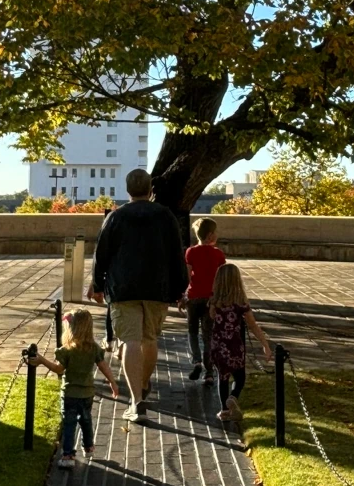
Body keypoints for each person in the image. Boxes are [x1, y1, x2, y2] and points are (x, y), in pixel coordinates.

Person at [89, 168, 188, 423]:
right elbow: (177, 254)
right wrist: (180, 289)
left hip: (123, 289)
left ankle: (135, 400)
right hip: (157, 288)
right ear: (150, 189)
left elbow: (102, 254)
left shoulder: (115, 217)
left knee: (129, 341)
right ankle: (143, 384)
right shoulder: (165, 216)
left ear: (127, 189)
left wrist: (97, 284)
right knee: (150, 339)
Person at [28, 309, 119, 470]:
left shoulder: (67, 350)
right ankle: (89, 446)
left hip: (70, 393)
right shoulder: (94, 349)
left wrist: (42, 360)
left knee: (69, 424)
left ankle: (68, 454)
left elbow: (58, 369)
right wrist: (112, 381)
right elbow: (103, 365)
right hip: (87, 393)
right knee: (86, 420)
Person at [209, 263, 271, 424]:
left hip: (218, 345)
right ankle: (233, 396)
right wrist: (265, 344)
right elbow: (252, 325)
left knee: (222, 377)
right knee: (240, 376)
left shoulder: (214, 302)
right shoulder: (241, 303)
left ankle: (224, 410)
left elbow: (211, 318)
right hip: (235, 345)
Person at [182, 217, 225, 384]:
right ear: (211, 235)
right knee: (208, 335)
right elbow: (221, 278)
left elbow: (187, 276)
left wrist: (183, 295)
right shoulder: (218, 254)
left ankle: (196, 361)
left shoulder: (191, 252)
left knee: (192, 331)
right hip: (210, 299)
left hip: (193, 297)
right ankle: (209, 372)